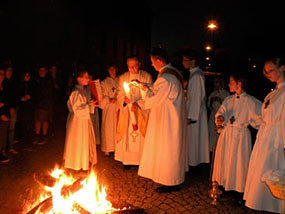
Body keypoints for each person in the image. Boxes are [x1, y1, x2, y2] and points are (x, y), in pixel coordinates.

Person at [138, 48, 187, 193]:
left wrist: (143, 97)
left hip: (168, 120)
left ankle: (170, 181)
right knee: (173, 148)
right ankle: (173, 179)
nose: (152, 65)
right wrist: (147, 86)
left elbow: (155, 100)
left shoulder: (165, 78)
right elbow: (160, 89)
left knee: (167, 149)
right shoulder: (173, 72)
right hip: (174, 117)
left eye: (153, 62)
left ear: (159, 60)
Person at [212, 72, 262, 201]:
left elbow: (261, 120)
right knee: (225, 161)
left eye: (231, 82)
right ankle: (223, 185)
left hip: (240, 136)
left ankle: (238, 191)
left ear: (239, 84)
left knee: (239, 163)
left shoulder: (251, 102)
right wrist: (220, 118)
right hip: (227, 133)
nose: (229, 85)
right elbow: (220, 112)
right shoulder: (229, 99)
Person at [244, 57, 285, 213]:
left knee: (274, 172)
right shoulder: (272, 93)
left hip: (277, 139)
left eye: (271, 70)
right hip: (265, 138)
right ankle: (261, 204)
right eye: (265, 72)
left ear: (282, 68)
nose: (268, 74)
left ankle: (274, 207)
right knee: (261, 172)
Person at [115, 56, 152, 168]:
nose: (132, 68)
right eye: (129, 66)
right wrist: (125, 102)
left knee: (140, 136)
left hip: (141, 111)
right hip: (127, 113)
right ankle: (127, 160)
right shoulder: (123, 77)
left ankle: (141, 160)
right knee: (127, 136)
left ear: (139, 64)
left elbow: (150, 94)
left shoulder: (146, 76)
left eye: (134, 66)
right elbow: (120, 94)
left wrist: (138, 103)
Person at [63, 69, 98, 171]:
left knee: (84, 140)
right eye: (86, 77)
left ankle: (84, 162)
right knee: (77, 141)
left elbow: (86, 103)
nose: (88, 79)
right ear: (79, 79)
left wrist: (91, 104)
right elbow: (76, 109)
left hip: (84, 120)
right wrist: (88, 106)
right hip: (77, 122)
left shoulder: (85, 90)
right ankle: (75, 163)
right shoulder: (75, 92)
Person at [182, 49, 210, 166]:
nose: (183, 63)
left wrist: (191, 117)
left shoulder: (197, 76)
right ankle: (192, 162)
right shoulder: (193, 74)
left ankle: (194, 164)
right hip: (193, 111)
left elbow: (197, 97)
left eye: (185, 60)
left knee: (194, 139)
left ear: (193, 61)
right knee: (193, 139)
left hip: (195, 113)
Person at [99, 64, 118, 156]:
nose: (112, 71)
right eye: (110, 69)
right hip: (108, 108)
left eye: (114, 69)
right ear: (108, 70)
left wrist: (118, 97)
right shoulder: (104, 82)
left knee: (117, 127)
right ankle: (107, 149)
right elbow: (101, 95)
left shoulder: (119, 80)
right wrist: (108, 99)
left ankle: (116, 148)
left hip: (117, 107)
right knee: (108, 128)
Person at [207, 77, 229, 152]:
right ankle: (211, 149)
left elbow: (227, 106)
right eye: (215, 82)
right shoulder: (213, 93)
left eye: (217, 82)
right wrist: (212, 101)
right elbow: (209, 105)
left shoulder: (225, 94)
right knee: (212, 133)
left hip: (221, 117)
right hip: (213, 115)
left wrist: (220, 100)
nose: (216, 84)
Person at [33, 65, 53, 145]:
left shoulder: (48, 81)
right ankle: (37, 136)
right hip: (37, 103)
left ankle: (44, 136)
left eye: (43, 70)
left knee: (44, 120)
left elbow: (48, 93)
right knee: (37, 120)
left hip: (45, 103)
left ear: (46, 71)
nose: (41, 72)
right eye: (40, 70)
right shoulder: (36, 80)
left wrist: (46, 102)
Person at [17, 71, 35, 144]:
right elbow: (16, 94)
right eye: (25, 75)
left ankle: (29, 141)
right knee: (23, 123)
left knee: (29, 124)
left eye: (28, 75)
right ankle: (22, 140)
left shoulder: (32, 85)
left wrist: (30, 97)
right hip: (22, 108)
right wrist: (20, 98)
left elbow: (35, 95)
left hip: (30, 108)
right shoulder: (20, 85)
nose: (27, 77)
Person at [0, 67, 10, 163]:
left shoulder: (4, 85)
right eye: (0, 74)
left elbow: (7, 100)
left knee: (3, 134)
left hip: (5, 114)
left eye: (3, 74)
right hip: (1, 114)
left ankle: (2, 152)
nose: (1, 76)